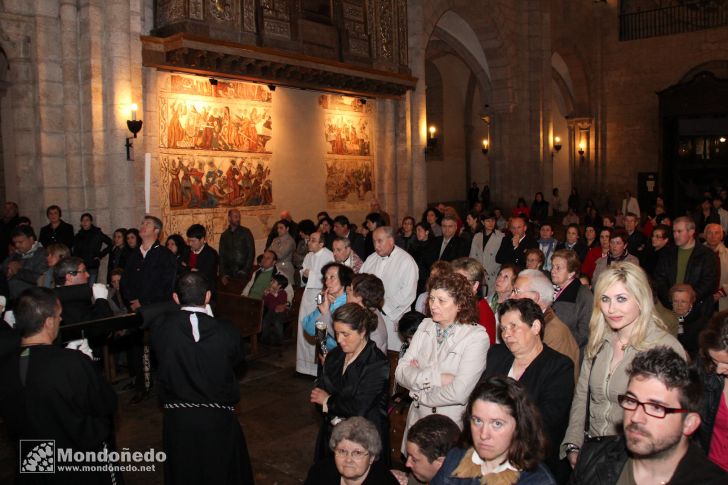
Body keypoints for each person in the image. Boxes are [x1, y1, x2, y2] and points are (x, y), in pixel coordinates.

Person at [561, 262, 686, 468]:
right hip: (595, 452)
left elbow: (674, 418)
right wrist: (574, 443)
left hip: (637, 460)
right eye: (605, 299)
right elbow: (582, 394)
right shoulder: (600, 341)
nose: (611, 309)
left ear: (641, 300)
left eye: (621, 299)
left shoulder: (664, 348)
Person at [0, 287, 119, 484]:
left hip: (33, 464)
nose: (61, 320)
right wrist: (87, 367)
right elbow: (106, 404)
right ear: (48, 322)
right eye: (59, 315)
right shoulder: (71, 362)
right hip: (76, 463)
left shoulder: (6, 365)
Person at [149, 271, 254, 485]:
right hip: (217, 417)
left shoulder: (160, 328)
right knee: (223, 472)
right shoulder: (227, 330)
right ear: (207, 297)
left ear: (176, 298)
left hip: (179, 419)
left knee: (183, 471)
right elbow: (236, 360)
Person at [570, 347, 727, 485]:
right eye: (631, 401)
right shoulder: (593, 457)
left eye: (656, 407)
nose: (636, 417)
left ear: (689, 423)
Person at [481, 299, 574, 482]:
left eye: (513, 326)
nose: (507, 334)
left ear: (536, 326)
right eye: (504, 329)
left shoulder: (559, 367)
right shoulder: (496, 355)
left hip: (530, 463)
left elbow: (546, 421)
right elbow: (479, 398)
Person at [395, 273, 490, 450]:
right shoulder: (425, 325)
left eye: (441, 300)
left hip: (448, 429)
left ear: (460, 304)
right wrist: (437, 378)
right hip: (417, 422)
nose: (433, 306)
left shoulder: (476, 337)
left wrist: (419, 393)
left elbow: (459, 393)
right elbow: (400, 373)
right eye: (431, 299)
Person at [431, 376, 556, 484]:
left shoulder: (538, 481)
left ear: (519, 426)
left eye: (497, 424)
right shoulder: (456, 458)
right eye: (478, 421)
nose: (484, 435)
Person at [309, 304, 390, 462]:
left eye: (345, 334)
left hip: (363, 441)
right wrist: (329, 408)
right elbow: (318, 394)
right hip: (331, 435)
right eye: (337, 333)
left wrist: (328, 401)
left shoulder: (376, 362)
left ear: (362, 331)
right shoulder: (334, 357)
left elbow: (360, 406)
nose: (339, 340)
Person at [121, 215, 177, 403]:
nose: (142, 226)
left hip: (156, 310)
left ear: (156, 231)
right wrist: (131, 300)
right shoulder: (134, 255)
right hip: (136, 311)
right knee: (137, 350)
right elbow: (125, 281)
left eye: (147, 224)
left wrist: (144, 301)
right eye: (142, 223)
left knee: (159, 351)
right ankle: (141, 385)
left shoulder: (164, 255)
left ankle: (167, 387)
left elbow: (166, 285)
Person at [510, 269, 580, 381]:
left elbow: (541, 379)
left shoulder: (554, 333)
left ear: (535, 297)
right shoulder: (530, 322)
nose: (511, 297)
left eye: (516, 291)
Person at [360, 226, 418, 351]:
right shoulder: (370, 259)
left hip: (394, 317)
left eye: (380, 241)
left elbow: (409, 292)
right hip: (370, 315)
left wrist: (383, 305)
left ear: (391, 241)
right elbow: (360, 284)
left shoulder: (406, 261)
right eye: (374, 241)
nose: (376, 245)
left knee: (393, 353)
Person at [654, 216, 719, 320]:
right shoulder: (667, 252)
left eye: (679, 231)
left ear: (691, 232)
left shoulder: (707, 255)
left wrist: (689, 299)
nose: (675, 235)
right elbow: (659, 278)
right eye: (674, 231)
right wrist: (671, 299)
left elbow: (709, 282)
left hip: (698, 312)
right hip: (670, 309)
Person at [304, 416, 399, 485]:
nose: (348, 460)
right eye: (342, 451)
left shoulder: (385, 482)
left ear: (371, 457)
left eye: (357, 453)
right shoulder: (320, 472)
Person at [297, 231, 334, 375]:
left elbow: (328, 278)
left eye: (313, 240)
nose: (309, 242)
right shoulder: (308, 256)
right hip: (308, 294)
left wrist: (310, 274)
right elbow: (303, 273)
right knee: (304, 325)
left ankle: (319, 367)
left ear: (321, 243)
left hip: (321, 294)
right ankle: (303, 367)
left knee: (319, 326)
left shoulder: (328, 255)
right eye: (309, 239)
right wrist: (305, 275)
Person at [696, 310, 728, 471]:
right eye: (715, 361)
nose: (719, 370)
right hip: (710, 470)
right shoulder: (706, 373)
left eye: (727, 364)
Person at [302, 262, 354, 352]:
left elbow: (341, 336)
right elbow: (310, 329)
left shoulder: (348, 303)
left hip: (341, 354)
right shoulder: (326, 300)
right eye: (326, 278)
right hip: (325, 352)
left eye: (332, 277)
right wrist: (321, 308)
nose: (326, 282)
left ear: (343, 280)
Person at [551, 249, 593, 355]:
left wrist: (558, 344)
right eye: (552, 266)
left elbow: (584, 333)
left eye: (558, 268)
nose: (552, 270)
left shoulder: (583, 295)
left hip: (569, 353)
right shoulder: (551, 289)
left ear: (571, 273)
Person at [53, 256, 113, 325]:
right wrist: (101, 300)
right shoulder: (72, 302)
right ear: (70, 277)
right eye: (83, 271)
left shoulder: (57, 297)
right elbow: (103, 326)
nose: (88, 275)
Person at [402, 414, 460, 484]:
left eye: (414, 460)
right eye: (408, 455)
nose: (407, 464)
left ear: (441, 463)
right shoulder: (419, 476)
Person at [451, 257, 497, 345]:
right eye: (453, 280)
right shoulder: (455, 302)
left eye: (461, 281)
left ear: (475, 285)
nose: (455, 285)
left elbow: (485, 347)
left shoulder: (482, 311)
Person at [2, 225, 48, 299]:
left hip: (31, 299)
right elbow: (2, 267)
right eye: (15, 242)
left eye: (20, 242)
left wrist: (18, 270)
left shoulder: (43, 254)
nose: (17, 245)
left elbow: (40, 279)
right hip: (11, 297)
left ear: (31, 239)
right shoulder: (16, 253)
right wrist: (8, 270)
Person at [348, 273, 388, 354]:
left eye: (350, 290)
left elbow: (366, 362)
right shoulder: (362, 313)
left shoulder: (373, 327)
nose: (347, 292)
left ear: (359, 297)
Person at [469, 211, 504, 296]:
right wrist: (479, 271)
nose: (491, 223)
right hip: (478, 274)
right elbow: (472, 256)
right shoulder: (477, 236)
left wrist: (486, 272)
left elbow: (501, 257)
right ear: (482, 222)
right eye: (488, 221)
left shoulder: (501, 236)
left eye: (493, 220)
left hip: (493, 274)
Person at [72, 213, 112, 285]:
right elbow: (75, 251)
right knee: (82, 286)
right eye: (83, 220)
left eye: (87, 220)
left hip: (92, 264)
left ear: (91, 222)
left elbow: (111, 243)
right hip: (81, 266)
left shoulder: (97, 233)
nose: (85, 222)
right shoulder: (78, 235)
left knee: (91, 286)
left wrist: (100, 255)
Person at [218, 209, 255, 286]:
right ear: (229, 218)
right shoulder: (224, 235)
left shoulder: (246, 232)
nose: (238, 219)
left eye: (239, 217)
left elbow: (251, 252)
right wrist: (223, 273)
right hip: (229, 273)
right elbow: (221, 255)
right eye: (235, 217)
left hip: (243, 272)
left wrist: (245, 270)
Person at [670, 283, 706, 358]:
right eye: (675, 301)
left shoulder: (700, 323)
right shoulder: (666, 318)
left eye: (683, 301)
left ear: (691, 303)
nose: (679, 305)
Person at [185, 224, 219, 297]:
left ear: (202, 239)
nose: (190, 244)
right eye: (189, 240)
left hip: (205, 293)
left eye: (193, 241)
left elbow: (204, 275)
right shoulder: (186, 251)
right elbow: (179, 267)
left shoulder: (211, 254)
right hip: (188, 291)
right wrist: (190, 269)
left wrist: (187, 269)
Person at [486, 263, 520, 337]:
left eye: (506, 277)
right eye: (500, 275)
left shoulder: (514, 308)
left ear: (514, 285)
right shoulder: (487, 300)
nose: (499, 279)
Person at [261, 273, 290, 346]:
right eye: (271, 281)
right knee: (265, 322)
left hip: (281, 312)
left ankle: (279, 340)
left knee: (277, 323)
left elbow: (282, 303)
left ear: (279, 286)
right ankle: (265, 339)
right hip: (271, 311)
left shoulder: (283, 293)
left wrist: (274, 294)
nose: (271, 283)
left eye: (273, 282)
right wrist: (265, 295)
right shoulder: (270, 292)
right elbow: (266, 303)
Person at [704, 223, 728, 311]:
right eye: (710, 233)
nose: (713, 236)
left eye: (716, 233)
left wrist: (720, 293)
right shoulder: (696, 254)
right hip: (700, 300)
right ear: (705, 235)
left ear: (721, 236)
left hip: (722, 299)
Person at [411, 222, 438, 294]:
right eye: (416, 231)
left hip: (426, 278)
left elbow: (431, 263)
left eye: (419, 230)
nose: (417, 233)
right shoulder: (414, 244)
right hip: (415, 277)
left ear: (427, 232)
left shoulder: (433, 245)